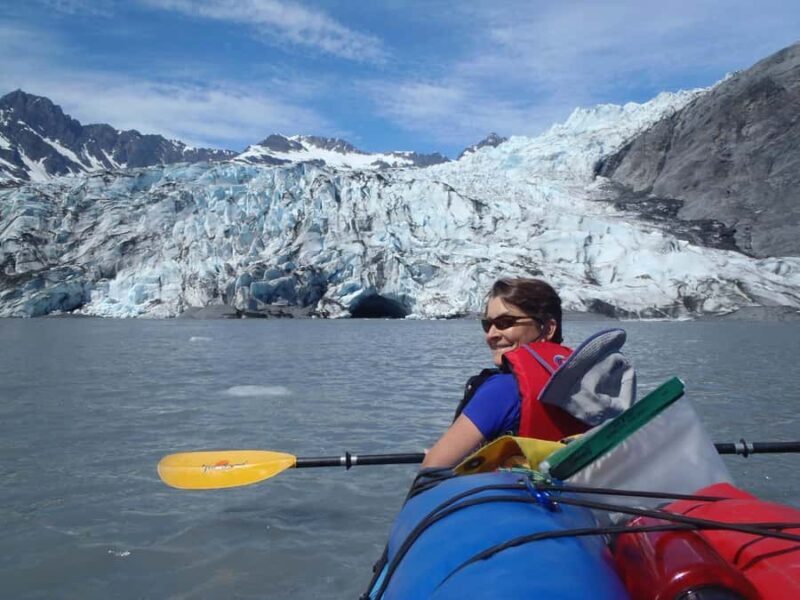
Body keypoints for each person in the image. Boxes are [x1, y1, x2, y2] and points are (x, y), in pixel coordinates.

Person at [422, 277, 587, 468]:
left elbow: (432, 468)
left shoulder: (502, 390)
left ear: (547, 328)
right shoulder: (585, 385)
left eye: (505, 322)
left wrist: (437, 456)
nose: (490, 335)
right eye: (487, 324)